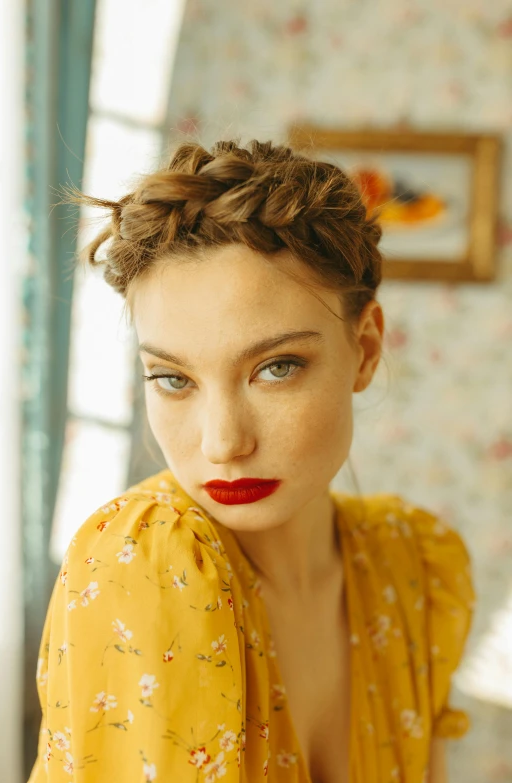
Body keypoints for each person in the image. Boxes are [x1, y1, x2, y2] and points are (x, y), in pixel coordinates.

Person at [28, 139, 476, 783]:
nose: (222, 443)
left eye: (276, 368)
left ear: (367, 348)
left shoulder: (414, 570)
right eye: (173, 379)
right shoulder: (146, 564)